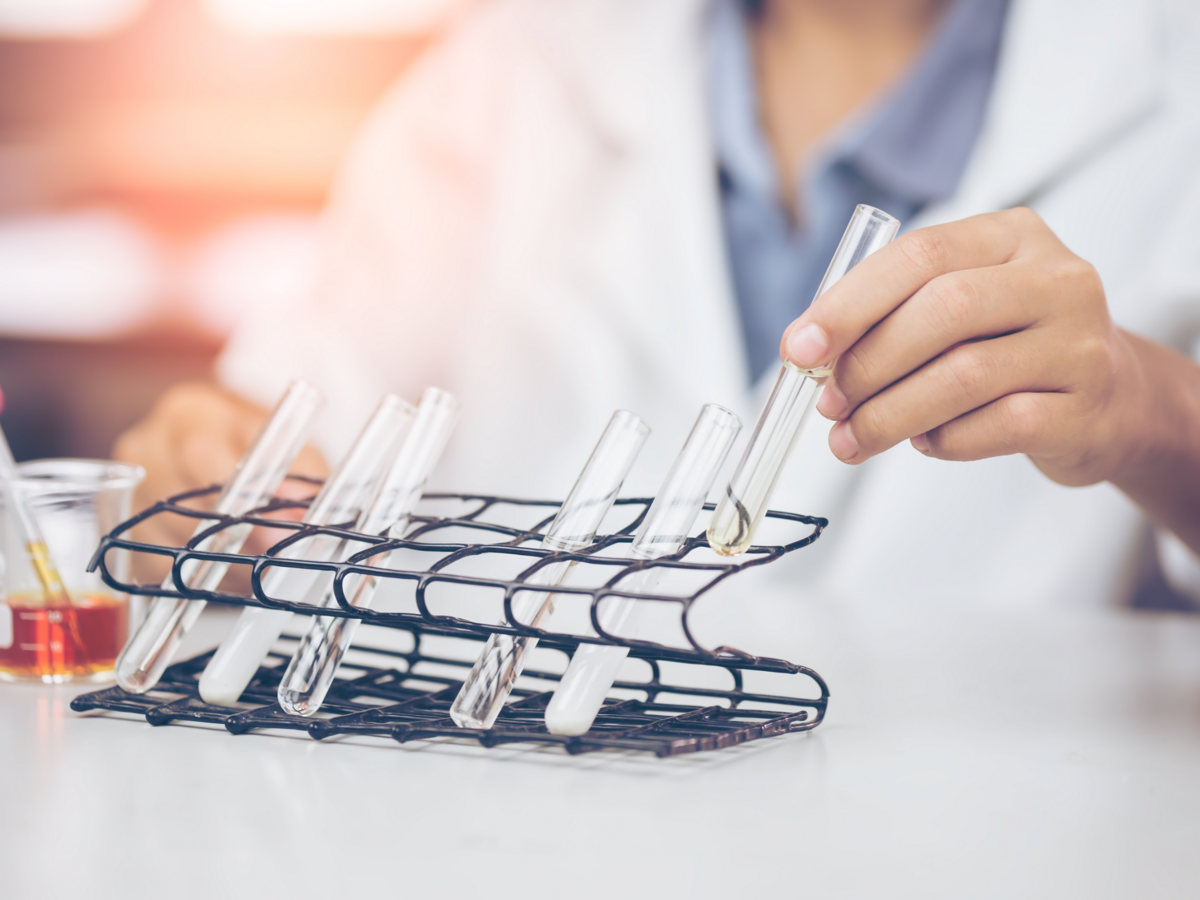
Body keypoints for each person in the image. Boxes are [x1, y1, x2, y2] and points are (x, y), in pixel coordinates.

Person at [116, 0, 1200, 609]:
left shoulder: (1165, 78)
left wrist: (1155, 411)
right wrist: (207, 475)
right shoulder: (514, 71)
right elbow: (269, 434)